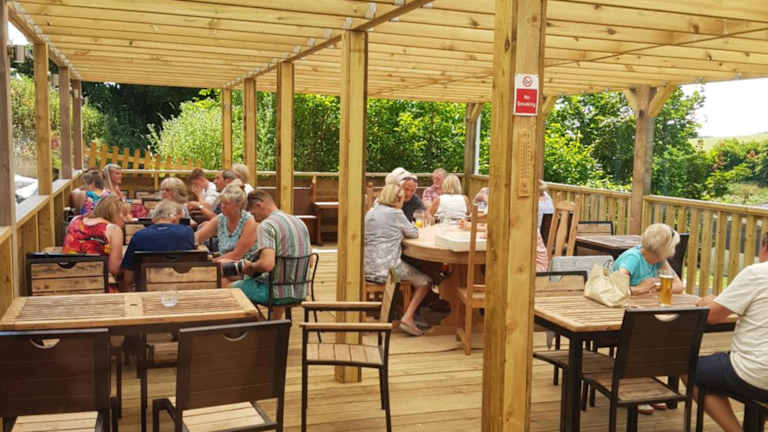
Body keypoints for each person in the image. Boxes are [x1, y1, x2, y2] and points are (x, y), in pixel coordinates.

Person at [691, 231, 768, 432]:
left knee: (687, 366)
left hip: (756, 373)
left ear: (765, 248)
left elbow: (712, 316)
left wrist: (710, 300)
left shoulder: (757, 273)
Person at [612, 223, 684, 415]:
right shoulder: (633, 258)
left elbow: (678, 286)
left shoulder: (658, 260)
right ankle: (635, 392)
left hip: (645, 313)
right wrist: (640, 289)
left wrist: (656, 285)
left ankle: (646, 388)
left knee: (661, 338)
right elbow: (617, 288)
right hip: (620, 316)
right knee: (643, 340)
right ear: (664, 248)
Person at [365, 184, 432, 336]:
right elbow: (414, 233)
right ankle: (407, 317)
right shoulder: (396, 213)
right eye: (402, 199)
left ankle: (395, 308)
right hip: (390, 272)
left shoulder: (371, 211)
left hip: (367, 268)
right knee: (425, 281)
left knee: (406, 271)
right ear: (397, 199)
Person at [234, 190, 312, 317]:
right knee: (267, 279)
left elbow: (267, 265)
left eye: (253, 213)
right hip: (301, 291)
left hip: (276, 294)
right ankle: (275, 323)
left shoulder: (266, 225)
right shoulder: (299, 222)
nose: (254, 218)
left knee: (234, 290)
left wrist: (250, 267)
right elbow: (310, 262)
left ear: (259, 205)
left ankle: (265, 327)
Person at [119, 200, 195, 292]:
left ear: (153, 218)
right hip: (182, 288)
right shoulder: (187, 232)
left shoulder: (138, 236)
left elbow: (127, 279)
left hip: (146, 290)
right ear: (176, 216)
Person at [194, 184, 259, 262]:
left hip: (246, 265)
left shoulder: (250, 221)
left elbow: (237, 255)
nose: (222, 206)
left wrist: (211, 263)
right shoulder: (221, 218)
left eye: (226, 203)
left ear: (238, 205)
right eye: (222, 202)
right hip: (223, 263)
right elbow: (197, 237)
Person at [63, 195, 124, 277]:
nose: (127, 218)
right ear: (116, 214)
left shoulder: (75, 220)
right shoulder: (113, 229)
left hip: (65, 277)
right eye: (125, 214)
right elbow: (114, 269)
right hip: (95, 280)